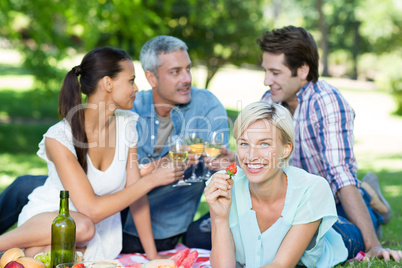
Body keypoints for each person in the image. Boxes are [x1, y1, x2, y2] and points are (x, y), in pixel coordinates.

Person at [0, 36, 229, 252]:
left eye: (188, 69)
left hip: (109, 226)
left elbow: (134, 191)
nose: (136, 89)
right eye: (131, 81)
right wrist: (151, 175)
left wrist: (153, 257)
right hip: (82, 215)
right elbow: (96, 204)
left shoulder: (130, 121)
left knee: (61, 244)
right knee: (35, 196)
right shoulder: (64, 135)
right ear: (109, 84)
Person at [206, 25, 402, 262]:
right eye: (266, 71)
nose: (267, 80)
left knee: (340, 233)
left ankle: (372, 207)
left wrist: (372, 244)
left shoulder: (327, 102)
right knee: (201, 234)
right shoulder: (270, 100)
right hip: (281, 198)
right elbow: (265, 159)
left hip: (327, 197)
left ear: (302, 70)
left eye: (275, 72)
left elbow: (340, 175)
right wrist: (236, 158)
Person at [206, 101, 348, 268]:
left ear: (286, 149)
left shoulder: (313, 189)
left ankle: (369, 198)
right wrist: (221, 218)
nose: (251, 156)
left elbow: (281, 265)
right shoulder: (222, 187)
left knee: (355, 219)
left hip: (343, 235)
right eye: (244, 143)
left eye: (264, 144)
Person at [121, 35, 229, 252]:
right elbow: (107, 179)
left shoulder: (207, 106)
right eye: (175, 72)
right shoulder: (131, 109)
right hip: (115, 217)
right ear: (151, 78)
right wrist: (156, 168)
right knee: (39, 186)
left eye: (188, 69)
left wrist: (223, 163)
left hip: (160, 231)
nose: (187, 78)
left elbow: (221, 169)